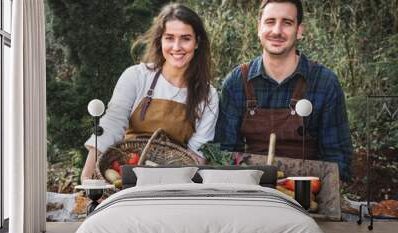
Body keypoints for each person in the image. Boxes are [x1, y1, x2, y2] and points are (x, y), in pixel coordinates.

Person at [214, 0, 352, 182]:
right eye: (270, 21)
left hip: (307, 196)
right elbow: (225, 153)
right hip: (252, 190)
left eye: (287, 23)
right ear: (259, 28)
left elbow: (337, 159)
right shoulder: (236, 82)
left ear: (300, 30)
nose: (277, 31)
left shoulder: (324, 83)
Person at [81, 3, 219, 181]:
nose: (177, 47)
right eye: (169, 38)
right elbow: (112, 124)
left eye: (185, 38)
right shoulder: (137, 77)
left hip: (174, 178)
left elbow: (197, 153)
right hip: (126, 171)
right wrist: (87, 175)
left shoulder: (208, 95)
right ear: (160, 40)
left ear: (197, 42)